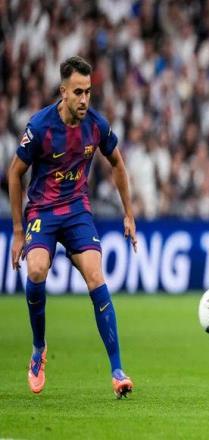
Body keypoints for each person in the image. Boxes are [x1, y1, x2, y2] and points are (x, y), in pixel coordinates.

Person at [8, 56, 138, 398]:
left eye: (88, 91)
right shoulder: (40, 127)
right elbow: (14, 173)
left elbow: (118, 163)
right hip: (43, 211)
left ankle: (118, 371)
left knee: (96, 275)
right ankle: (39, 349)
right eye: (78, 92)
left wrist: (128, 213)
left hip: (77, 210)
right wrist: (19, 232)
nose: (84, 99)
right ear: (63, 92)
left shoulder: (96, 125)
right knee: (37, 270)